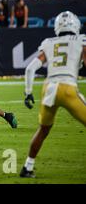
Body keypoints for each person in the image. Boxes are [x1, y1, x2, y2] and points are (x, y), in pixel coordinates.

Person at [20, 11, 85, 178]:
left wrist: (28, 93)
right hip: (68, 88)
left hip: (49, 89)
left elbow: (30, 69)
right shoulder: (81, 40)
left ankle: (27, 166)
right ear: (75, 25)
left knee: (43, 129)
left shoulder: (49, 42)